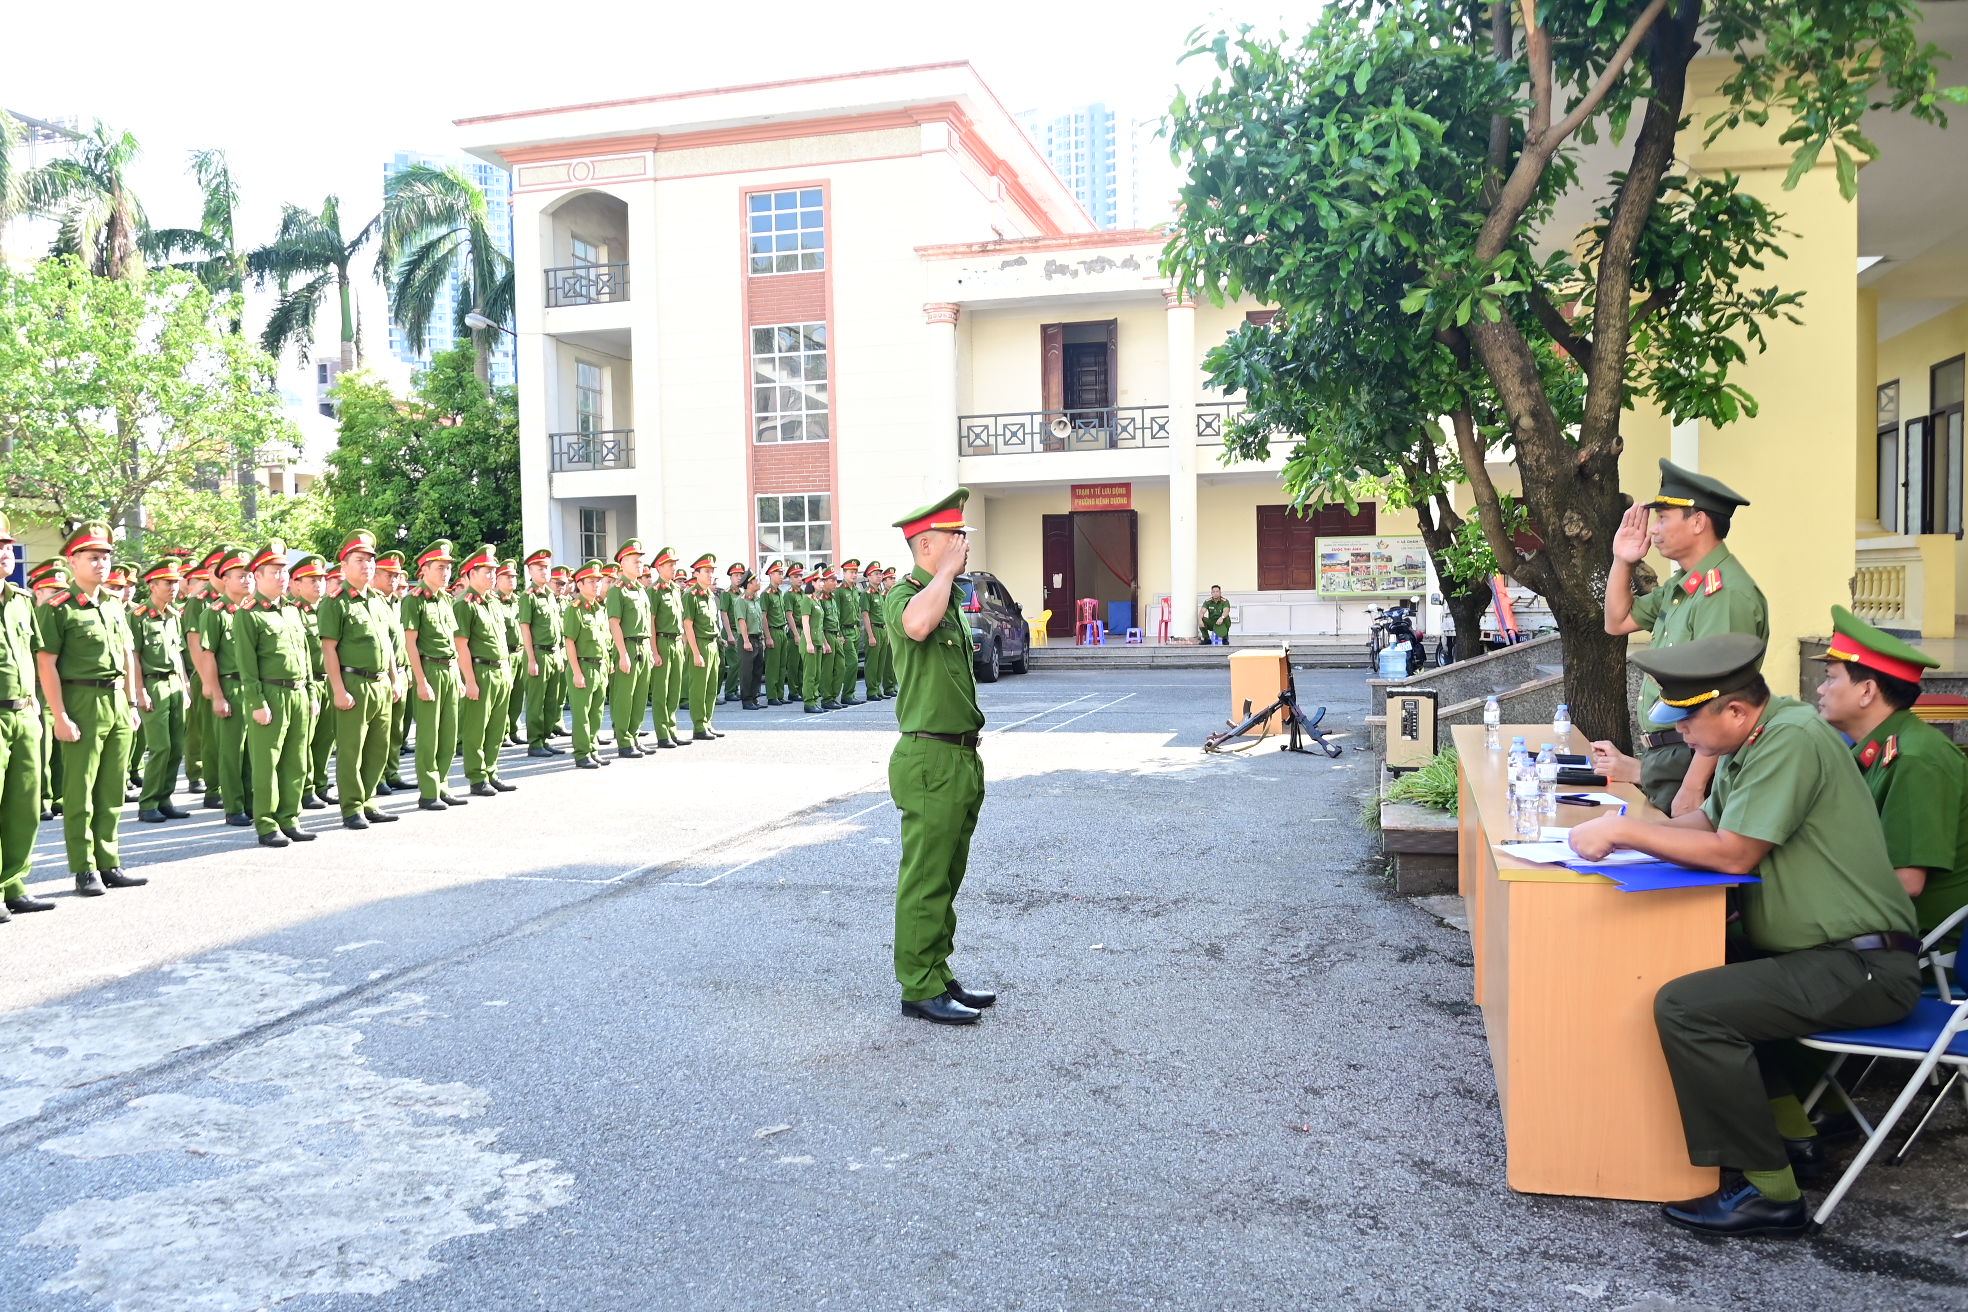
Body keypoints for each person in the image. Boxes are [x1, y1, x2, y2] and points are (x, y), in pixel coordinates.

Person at [1565, 633, 1919, 1236]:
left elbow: (1732, 853)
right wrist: (1633, 825)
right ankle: (1794, 1141)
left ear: (1734, 710)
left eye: (1689, 721)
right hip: (1821, 955)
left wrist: (1624, 835)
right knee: (1689, 966)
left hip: (1862, 964)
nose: (1682, 734)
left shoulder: (1791, 738)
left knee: (1691, 1008)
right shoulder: (1754, 739)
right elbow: (1706, 820)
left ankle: (1769, 1192)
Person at [1597, 460, 1767, 815]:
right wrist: (1621, 561)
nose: (1654, 530)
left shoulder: (1725, 594)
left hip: (1694, 763)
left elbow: (1723, 693)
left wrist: (1692, 787)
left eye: (1663, 519)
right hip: (1671, 758)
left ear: (1698, 521)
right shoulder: (1682, 585)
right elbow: (1617, 621)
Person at [885, 489, 993, 1025]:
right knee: (925, 877)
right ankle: (918, 986)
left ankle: (938, 970)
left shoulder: (943, 595)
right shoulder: (906, 595)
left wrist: (947, 578)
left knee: (948, 876)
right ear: (927, 544)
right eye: (956, 538)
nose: (964, 546)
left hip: (959, 757)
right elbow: (915, 627)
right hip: (928, 756)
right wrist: (944, 575)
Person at [1815, 606, 1968, 935]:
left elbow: (1907, 882)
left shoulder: (1915, 759)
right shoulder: (1875, 751)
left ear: (1867, 691)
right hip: (1873, 925)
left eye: (1830, 679)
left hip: (1913, 946)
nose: (1820, 690)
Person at [34, 521, 148, 897]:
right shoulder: (58, 607)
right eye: (92, 557)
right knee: (80, 789)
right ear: (73, 560)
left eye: (105, 557)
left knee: (112, 789)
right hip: (81, 700)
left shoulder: (115, 605)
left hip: (116, 700)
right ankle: (84, 869)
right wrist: (60, 715)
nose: (101, 564)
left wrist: (131, 701)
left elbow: (129, 656)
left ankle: (109, 861)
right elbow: (47, 662)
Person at [231, 542, 316, 848]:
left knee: (296, 759)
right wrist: (256, 701)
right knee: (267, 762)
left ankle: (290, 817)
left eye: (284, 571)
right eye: (275, 571)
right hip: (269, 692)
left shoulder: (292, 611)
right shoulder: (248, 615)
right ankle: (266, 823)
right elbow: (246, 662)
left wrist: (310, 694)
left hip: (297, 692)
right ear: (258, 575)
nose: (282, 576)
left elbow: (304, 654)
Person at [319, 530, 400, 831]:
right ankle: (351, 807)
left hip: (381, 683)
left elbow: (388, 644)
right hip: (353, 683)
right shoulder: (335, 602)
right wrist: (338, 689)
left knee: (378, 747)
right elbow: (329, 648)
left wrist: (395, 678)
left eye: (369, 560)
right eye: (359, 560)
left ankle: (369, 800)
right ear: (344, 566)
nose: (366, 565)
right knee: (352, 749)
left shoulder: (378, 600)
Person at [0, 515, 50, 920]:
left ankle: (15, 884)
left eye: (5, 546)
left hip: (24, 715)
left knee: (24, 805)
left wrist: (34, 702)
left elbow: (31, 655)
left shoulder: (21, 600)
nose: (4, 553)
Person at [402, 540, 467, 812]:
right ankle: (428, 791)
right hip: (429, 668)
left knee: (449, 732)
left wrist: (461, 676)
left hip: (450, 669)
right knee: (429, 734)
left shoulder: (445, 599)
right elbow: (410, 643)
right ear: (424, 569)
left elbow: (452, 640)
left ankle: (442, 784)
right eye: (440, 568)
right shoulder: (413, 600)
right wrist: (420, 680)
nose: (445, 573)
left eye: (448, 568)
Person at [197, 546, 255, 825]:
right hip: (230, 687)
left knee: (252, 752)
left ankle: (252, 802)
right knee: (232, 752)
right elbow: (208, 655)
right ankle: (234, 806)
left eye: (249, 576)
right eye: (240, 576)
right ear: (225, 579)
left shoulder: (254, 611)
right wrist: (217, 695)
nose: (246, 581)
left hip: (254, 688)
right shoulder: (215, 613)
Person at [132, 558, 193, 824]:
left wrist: (185, 686)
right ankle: (148, 803)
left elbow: (178, 654)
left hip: (174, 684)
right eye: (167, 583)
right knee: (160, 746)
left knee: (177, 746)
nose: (174, 587)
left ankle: (164, 798)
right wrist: (139, 691)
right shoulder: (138, 617)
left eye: (176, 582)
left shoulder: (174, 616)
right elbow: (132, 656)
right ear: (152, 585)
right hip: (152, 682)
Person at [454, 545, 517, 797]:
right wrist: (469, 679)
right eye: (486, 571)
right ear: (470, 574)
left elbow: (501, 641)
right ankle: (477, 776)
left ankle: (491, 771)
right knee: (476, 728)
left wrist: (508, 671)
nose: (492, 575)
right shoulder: (465, 604)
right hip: (480, 671)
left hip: (501, 669)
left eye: (494, 571)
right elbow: (461, 644)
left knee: (496, 727)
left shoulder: (493, 602)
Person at [287, 554, 334, 811]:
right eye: (312, 580)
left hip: (328, 680)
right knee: (304, 740)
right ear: (296, 584)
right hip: (309, 683)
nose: (318, 584)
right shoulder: (293, 612)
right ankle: (305, 788)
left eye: (321, 579)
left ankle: (320, 783)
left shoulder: (327, 608)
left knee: (326, 739)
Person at [605, 540, 655, 757]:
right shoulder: (618, 590)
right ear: (622, 563)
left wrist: (651, 649)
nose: (640, 564)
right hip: (627, 646)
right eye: (636, 561)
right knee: (624, 696)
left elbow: (647, 622)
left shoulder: (641, 589)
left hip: (643, 646)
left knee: (640, 695)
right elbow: (614, 623)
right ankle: (624, 741)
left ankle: (634, 735)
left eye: (641, 561)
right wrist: (622, 654)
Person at [563, 560, 614, 769]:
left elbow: (605, 639)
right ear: (580, 585)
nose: (596, 585)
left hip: (600, 666)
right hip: (583, 667)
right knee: (582, 713)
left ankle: (593, 749)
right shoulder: (575, 610)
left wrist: (608, 662)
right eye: (591, 581)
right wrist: (576, 672)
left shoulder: (599, 609)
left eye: (598, 581)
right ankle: (582, 753)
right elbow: (569, 642)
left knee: (596, 712)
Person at [518, 548, 567, 758]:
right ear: (530, 570)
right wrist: (531, 658)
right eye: (540, 568)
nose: (544, 571)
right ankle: (535, 742)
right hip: (538, 654)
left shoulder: (550, 595)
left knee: (552, 701)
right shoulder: (528, 597)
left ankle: (545, 738)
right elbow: (525, 628)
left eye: (546, 567)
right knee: (536, 702)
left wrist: (560, 653)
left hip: (554, 653)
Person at [375, 551, 414, 792]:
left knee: (397, 729)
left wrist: (406, 671)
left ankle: (392, 772)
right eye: (388, 575)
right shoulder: (375, 602)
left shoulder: (398, 603)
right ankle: (377, 777)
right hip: (384, 674)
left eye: (396, 575)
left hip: (401, 671)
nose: (394, 580)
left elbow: (402, 641)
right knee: (380, 731)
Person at [680, 553, 724, 741]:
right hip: (700, 644)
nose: (710, 575)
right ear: (696, 574)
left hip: (713, 644)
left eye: (712, 572)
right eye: (706, 571)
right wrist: (696, 652)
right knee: (698, 688)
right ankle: (698, 725)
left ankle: (707, 722)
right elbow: (688, 625)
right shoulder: (691, 595)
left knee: (712, 687)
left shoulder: (710, 595)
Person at [796, 567, 829, 715]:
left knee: (817, 673)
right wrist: (809, 642)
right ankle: (809, 702)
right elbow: (806, 623)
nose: (822, 583)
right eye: (820, 581)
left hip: (817, 641)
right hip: (809, 642)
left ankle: (815, 700)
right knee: (809, 674)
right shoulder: (806, 601)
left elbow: (819, 625)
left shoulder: (816, 600)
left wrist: (822, 642)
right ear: (812, 583)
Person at [835, 559, 868, 706]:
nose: (854, 575)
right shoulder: (839, 591)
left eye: (855, 572)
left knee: (852, 664)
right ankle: (845, 694)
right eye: (851, 572)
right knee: (852, 662)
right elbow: (837, 614)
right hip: (845, 631)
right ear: (844, 573)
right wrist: (840, 633)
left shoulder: (855, 590)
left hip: (855, 631)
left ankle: (850, 694)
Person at [758, 560, 789, 706]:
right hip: (773, 632)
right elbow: (763, 616)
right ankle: (772, 695)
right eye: (778, 573)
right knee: (773, 666)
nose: (781, 576)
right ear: (770, 575)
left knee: (782, 665)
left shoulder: (780, 593)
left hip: (782, 631)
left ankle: (780, 693)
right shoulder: (766, 594)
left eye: (782, 573)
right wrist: (767, 637)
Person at [735, 570, 766, 710]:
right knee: (747, 671)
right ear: (749, 584)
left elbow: (759, 621)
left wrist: (763, 639)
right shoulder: (741, 601)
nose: (758, 583)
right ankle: (746, 699)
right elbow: (742, 621)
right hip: (747, 639)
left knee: (757, 670)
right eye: (755, 581)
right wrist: (746, 640)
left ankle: (754, 697)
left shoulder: (756, 601)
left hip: (757, 639)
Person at [719, 560, 746, 706]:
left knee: (740, 663)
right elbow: (724, 615)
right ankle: (729, 691)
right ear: (730, 577)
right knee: (734, 663)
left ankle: (735, 689)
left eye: (740, 575)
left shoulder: (741, 594)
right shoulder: (726, 594)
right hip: (731, 631)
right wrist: (729, 634)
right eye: (736, 575)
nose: (738, 578)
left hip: (740, 631)